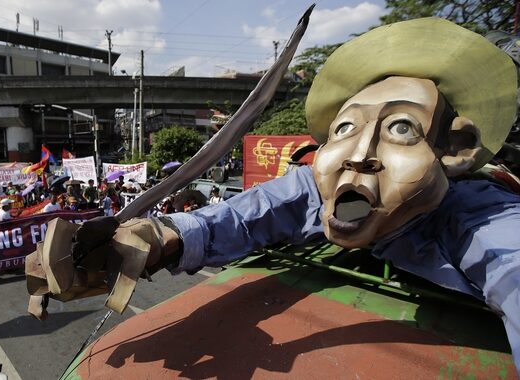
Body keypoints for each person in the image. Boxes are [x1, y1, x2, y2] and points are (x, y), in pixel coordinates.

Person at [46, 18, 520, 371]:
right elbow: (246, 214)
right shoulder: (320, 185)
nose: (359, 155)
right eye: (346, 129)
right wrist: (156, 234)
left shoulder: (483, 212)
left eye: (401, 128)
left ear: (456, 151)